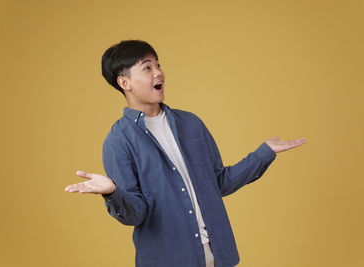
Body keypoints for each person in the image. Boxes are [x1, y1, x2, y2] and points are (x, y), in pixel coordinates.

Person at [64, 40, 306, 267]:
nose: (158, 72)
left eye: (158, 65)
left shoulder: (191, 123)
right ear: (124, 83)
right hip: (170, 259)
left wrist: (264, 153)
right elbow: (135, 214)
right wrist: (113, 192)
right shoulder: (119, 141)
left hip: (219, 254)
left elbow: (219, 182)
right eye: (147, 68)